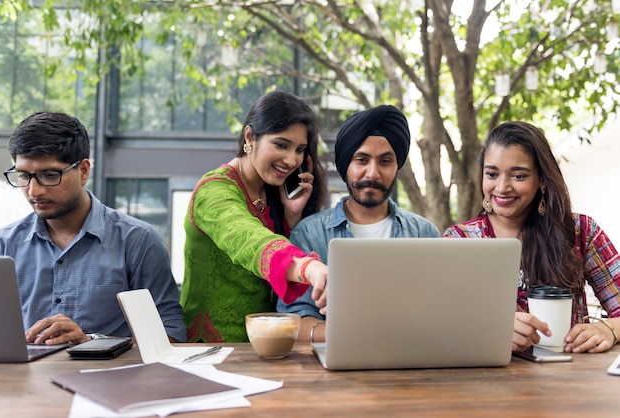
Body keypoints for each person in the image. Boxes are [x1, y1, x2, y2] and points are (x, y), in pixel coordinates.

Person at [0, 111, 186, 345]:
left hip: (108, 380)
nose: (34, 191)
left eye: (49, 174)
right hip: (19, 380)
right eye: (24, 176)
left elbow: (172, 338)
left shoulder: (138, 242)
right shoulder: (2, 245)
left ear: (84, 171)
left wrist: (91, 341)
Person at [443, 121, 620, 354]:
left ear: (542, 180)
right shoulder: (459, 240)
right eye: (492, 174)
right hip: (489, 379)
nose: (502, 187)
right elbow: (441, 324)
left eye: (518, 175)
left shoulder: (580, 231)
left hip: (570, 379)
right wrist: (493, 330)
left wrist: (609, 329)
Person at [277, 105, 441, 342]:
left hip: (409, 365)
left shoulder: (424, 233)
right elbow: (293, 320)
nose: (372, 173)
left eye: (385, 161)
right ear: (346, 166)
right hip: (333, 370)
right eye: (362, 160)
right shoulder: (309, 233)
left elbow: (438, 312)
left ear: (397, 167)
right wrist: (351, 335)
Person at [180, 90, 329, 343]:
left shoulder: (272, 192)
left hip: (268, 345)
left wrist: (292, 218)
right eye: (281, 145)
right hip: (212, 352)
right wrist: (310, 267)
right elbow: (250, 240)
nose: (292, 160)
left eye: (300, 149)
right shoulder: (213, 191)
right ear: (250, 137)